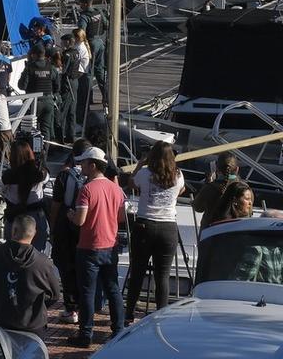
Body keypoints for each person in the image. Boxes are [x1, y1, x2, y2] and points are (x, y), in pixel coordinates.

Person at [69, 146, 126, 348]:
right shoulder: (116, 189)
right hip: (110, 246)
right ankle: (118, 329)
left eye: (84, 162)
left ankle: (86, 334)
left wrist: (71, 215)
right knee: (113, 289)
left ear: (92, 165)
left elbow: (80, 220)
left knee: (87, 292)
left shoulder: (86, 189)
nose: (81, 165)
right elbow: (120, 217)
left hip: (89, 246)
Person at [124, 141, 184, 321]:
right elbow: (181, 189)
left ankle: (129, 313)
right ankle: (160, 316)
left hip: (145, 225)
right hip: (168, 227)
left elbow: (131, 183)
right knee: (162, 275)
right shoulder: (178, 174)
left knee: (137, 272)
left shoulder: (145, 173)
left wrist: (140, 164)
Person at [0, 214, 61, 334]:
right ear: (34, 233)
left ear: (14, 230)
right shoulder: (42, 262)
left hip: (3, 319)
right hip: (32, 324)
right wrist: (37, 306)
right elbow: (54, 294)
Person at [49, 139, 90, 325]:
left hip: (66, 226)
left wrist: (53, 226)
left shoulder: (65, 176)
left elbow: (56, 204)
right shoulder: (92, 176)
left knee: (66, 267)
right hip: (85, 226)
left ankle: (70, 307)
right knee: (82, 269)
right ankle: (85, 307)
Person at [2, 139, 50, 250]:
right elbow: (46, 175)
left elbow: (5, 192)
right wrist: (41, 160)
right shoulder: (39, 175)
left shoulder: (8, 176)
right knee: (36, 254)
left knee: (13, 254)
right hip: (36, 219)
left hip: (14, 219)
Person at [19, 41, 58, 143]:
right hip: (48, 101)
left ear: (33, 54)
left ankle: (32, 153)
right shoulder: (51, 67)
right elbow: (57, 84)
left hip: (34, 102)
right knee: (46, 130)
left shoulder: (29, 67)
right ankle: (44, 154)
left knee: (29, 129)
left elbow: (22, 85)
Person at [192, 151, 240, 230]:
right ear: (237, 169)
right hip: (233, 232)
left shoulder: (210, 187)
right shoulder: (244, 188)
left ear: (217, 168)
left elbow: (198, 208)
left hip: (210, 233)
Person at [77, 0, 108, 107]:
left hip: (90, 44)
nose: (79, 5)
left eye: (80, 3)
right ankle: (106, 97)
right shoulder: (98, 12)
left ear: (85, 4)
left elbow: (81, 33)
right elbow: (106, 25)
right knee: (100, 71)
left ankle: (88, 99)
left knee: (88, 73)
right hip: (100, 42)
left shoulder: (84, 17)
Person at [59, 34, 82, 140]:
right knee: (72, 111)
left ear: (68, 42)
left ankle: (61, 135)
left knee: (63, 110)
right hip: (75, 81)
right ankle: (71, 135)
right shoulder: (76, 52)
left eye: (63, 41)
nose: (61, 44)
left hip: (68, 83)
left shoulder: (67, 54)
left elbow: (63, 70)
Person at [72, 27, 93, 126]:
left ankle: (80, 121)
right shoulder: (81, 45)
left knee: (80, 99)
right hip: (83, 73)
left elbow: (75, 61)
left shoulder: (79, 48)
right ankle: (83, 119)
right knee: (83, 99)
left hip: (81, 74)